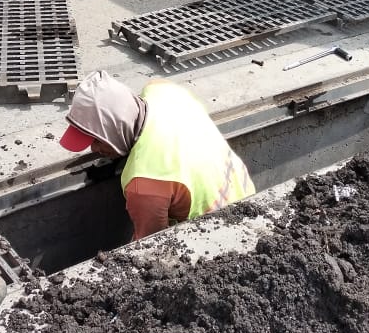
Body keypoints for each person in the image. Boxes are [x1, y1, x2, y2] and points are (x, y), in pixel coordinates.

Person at [59, 71, 256, 240]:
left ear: (116, 129)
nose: (93, 149)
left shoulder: (143, 183)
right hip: (246, 192)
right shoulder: (161, 90)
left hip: (219, 231)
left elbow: (152, 246)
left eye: (97, 140)